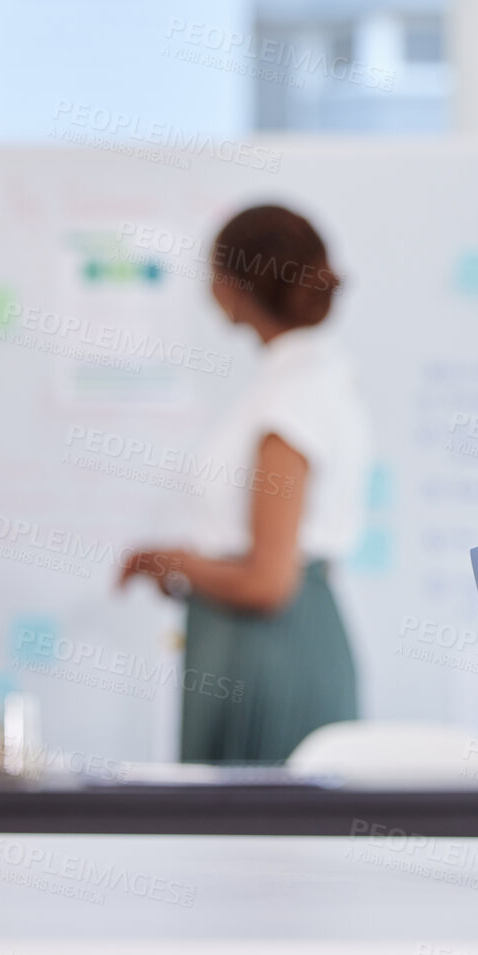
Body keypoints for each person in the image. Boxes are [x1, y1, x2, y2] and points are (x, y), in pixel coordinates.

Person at [119, 204, 371, 763]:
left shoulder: (292, 397)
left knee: (253, 843)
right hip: (262, 646)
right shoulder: (303, 379)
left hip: (267, 655)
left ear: (234, 284)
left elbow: (266, 583)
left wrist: (177, 563)